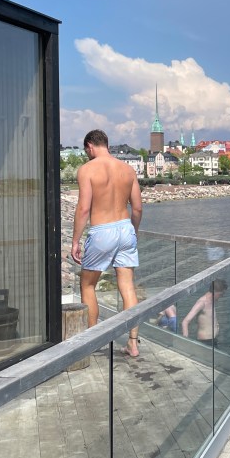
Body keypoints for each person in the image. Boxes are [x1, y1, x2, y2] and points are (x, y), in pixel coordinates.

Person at [71, 129, 143, 357]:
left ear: (90, 146)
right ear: (107, 145)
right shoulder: (128, 169)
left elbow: (83, 209)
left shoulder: (87, 170)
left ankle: (94, 341)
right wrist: (133, 232)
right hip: (125, 228)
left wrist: (75, 241)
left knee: (87, 285)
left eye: (86, 151)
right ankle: (133, 343)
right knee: (128, 286)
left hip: (102, 230)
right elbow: (137, 208)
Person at [181, 279, 227, 346]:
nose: (222, 296)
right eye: (220, 294)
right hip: (205, 342)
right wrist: (185, 341)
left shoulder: (212, 301)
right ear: (214, 292)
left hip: (213, 340)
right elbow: (185, 322)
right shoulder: (202, 303)